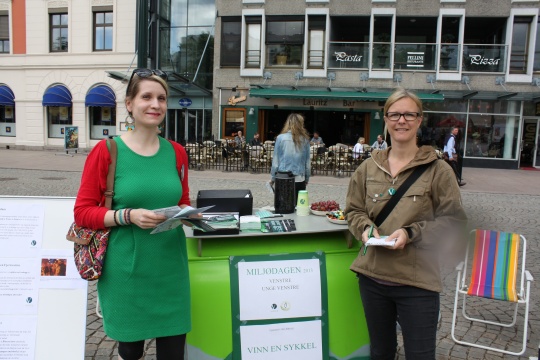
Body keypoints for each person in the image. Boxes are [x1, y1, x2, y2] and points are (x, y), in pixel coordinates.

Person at [74, 68, 193, 360]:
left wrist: (190, 215)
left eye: (162, 98)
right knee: (130, 352)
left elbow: (183, 201)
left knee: (173, 352)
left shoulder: (177, 152)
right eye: (147, 97)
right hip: (125, 269)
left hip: (169, 268)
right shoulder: (108, 150)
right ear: (129, 103)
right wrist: (127, 215)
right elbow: (83, 212)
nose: (155, 104)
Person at [344, 88, 467, 360]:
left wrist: (410, 232)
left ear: (419, 119)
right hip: (373, 278)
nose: (402, 120)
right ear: (385, 119)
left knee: (420, 355)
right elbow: (353, 210)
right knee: (381, 353)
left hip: (417, 282)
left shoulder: (439, 170)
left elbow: (454, 221)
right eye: (395, 114)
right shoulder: (368, 168)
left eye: (409, 114)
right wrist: (364, 228)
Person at [270, 113, 311, 203]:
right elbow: (307, 163)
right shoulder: (305, 140)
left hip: (283, 178)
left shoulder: (280, 138)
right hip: (299, 178)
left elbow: (275, 161)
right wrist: (307, 178)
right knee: (298, 207)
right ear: (301, 124)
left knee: (283, 207)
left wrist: (273, 178)